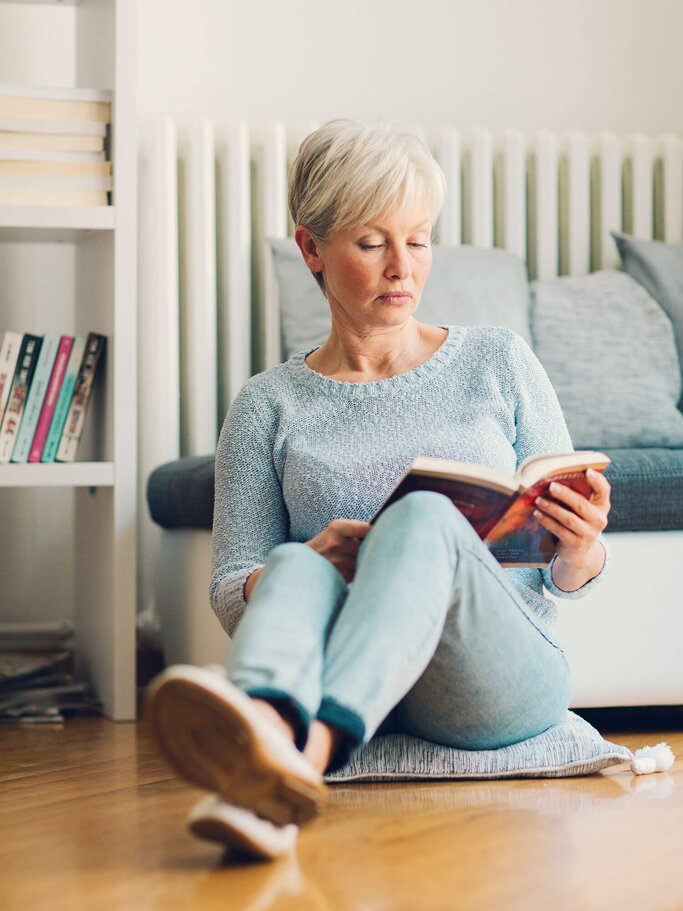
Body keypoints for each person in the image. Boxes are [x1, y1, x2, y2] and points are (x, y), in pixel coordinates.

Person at [147, 119, 611, 860]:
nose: (402, 266)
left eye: (418, 240)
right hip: (362, 666)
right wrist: (312, 563)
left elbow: (568, 576)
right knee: (295, 562)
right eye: (371, 243)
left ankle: (304, 753)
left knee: (424, 516)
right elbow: (232, 586)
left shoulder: (497, 360)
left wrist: (580, 548)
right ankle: (264, 736)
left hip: (494, 679)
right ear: (311, 250)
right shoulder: (267, 404)